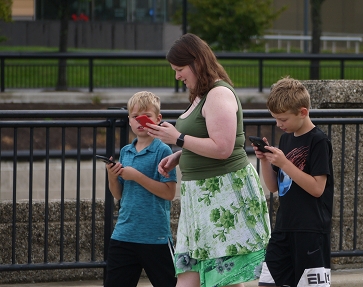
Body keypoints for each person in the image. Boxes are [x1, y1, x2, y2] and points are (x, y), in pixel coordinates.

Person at [146, 33, 271, 287]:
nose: (177, 76)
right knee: (193, 279)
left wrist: (178, 138)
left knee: (224, 280)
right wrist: (180, 156)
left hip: (223, 195)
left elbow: (224, 148)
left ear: (197, 62)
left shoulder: (218, 94)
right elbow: (208, 140)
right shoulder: (201, 94)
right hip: (201, 198)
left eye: (180, 69)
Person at [254, 77, 334, 287]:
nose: (279, 125)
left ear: (303, 112)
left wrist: (285, 163)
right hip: (284, 227)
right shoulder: (286, 139)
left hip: (310, 230)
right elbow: (274, 187)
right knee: (268, 283)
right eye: (275, 119)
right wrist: (264, 160)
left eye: (283, 119)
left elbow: (318, 188)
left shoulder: (318, 141)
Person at [104, 91, 178, 287]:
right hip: (123, 234)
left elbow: (169, 193)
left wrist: (136, 176)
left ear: (158, 119)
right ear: (129, 120)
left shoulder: (163, 150)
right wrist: (113, 176)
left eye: (146, 116)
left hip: (155, 237)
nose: (140, 121)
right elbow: (118, 194)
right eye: (135, 117)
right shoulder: (126, 151)